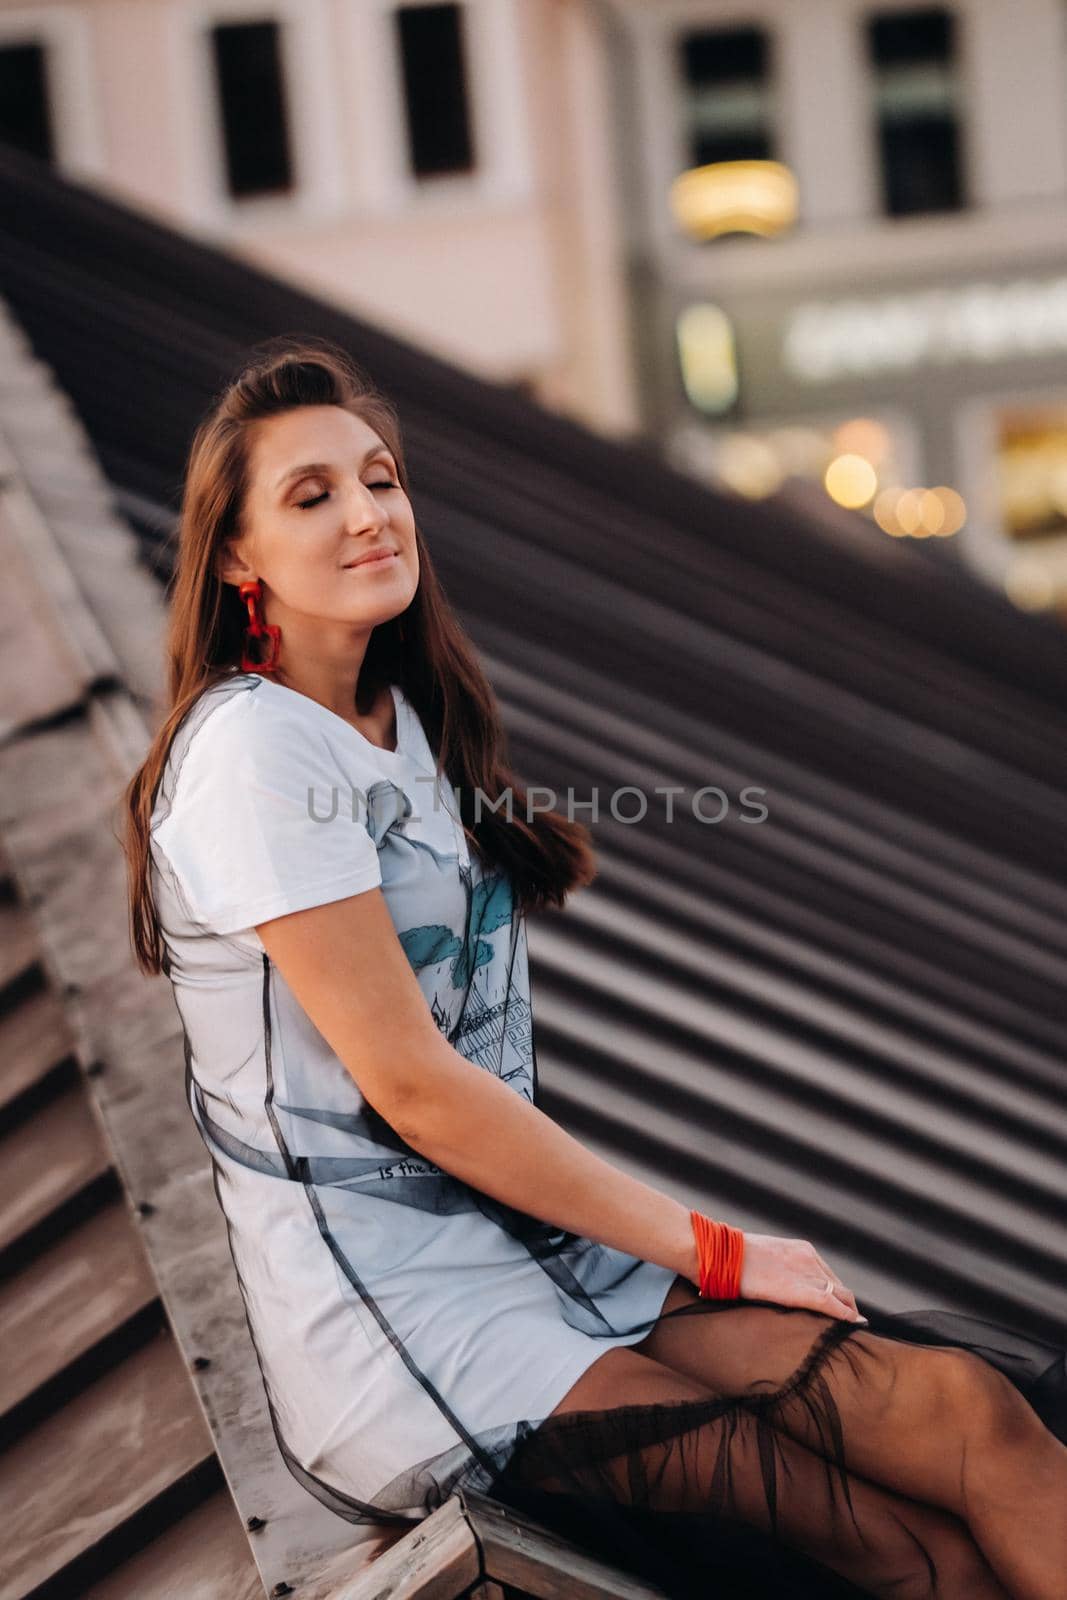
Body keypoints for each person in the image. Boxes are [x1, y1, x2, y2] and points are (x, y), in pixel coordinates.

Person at [124, 336, 1067, 1600]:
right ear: (237, 557)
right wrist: (721, 1253)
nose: (366, 513)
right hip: (413, 1325)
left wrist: (687, 1260)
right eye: (312, 496)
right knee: (902, 1550)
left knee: (968, 1413)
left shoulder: (400, 720)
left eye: (380, 478)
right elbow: (415, 1090)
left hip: (544, 1257)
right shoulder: (254, 753)